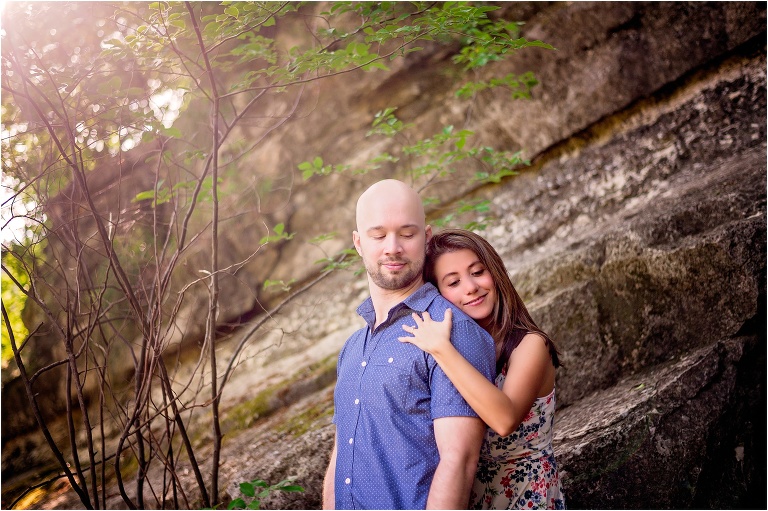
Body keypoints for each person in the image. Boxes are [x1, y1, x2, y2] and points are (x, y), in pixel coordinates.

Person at [322, 180, 496, 510]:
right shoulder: (352, 348)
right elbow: (340, 454)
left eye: (407, 233)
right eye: (378, 235)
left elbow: (459, 462)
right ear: (358, 243)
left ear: (426, 238)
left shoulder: (450, 330)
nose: (393, 247)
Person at [398, 228, 566, 509]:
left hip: (525, 496)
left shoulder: (531, 346)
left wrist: (441, 349)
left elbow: (504, 419)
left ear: (496, 272)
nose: (470, 287)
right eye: (453, 282)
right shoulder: (464, 351)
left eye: (477, 272)